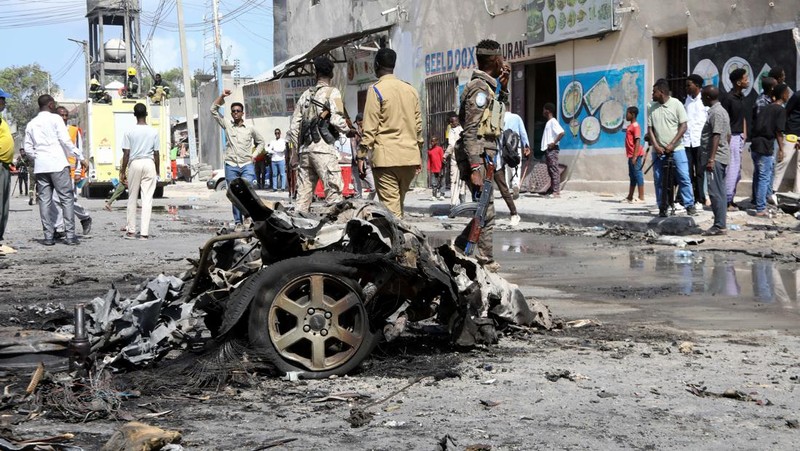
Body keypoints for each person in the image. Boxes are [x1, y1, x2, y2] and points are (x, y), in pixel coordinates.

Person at [454, 39, 509, 272]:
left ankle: (460, 247)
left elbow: (494, 113)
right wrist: (476, 166)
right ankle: (484, 260)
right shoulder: (479, 89)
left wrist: (503, 87)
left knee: (484, 209)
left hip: (485, 156)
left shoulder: (489, 87)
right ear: (496, 60)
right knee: (486, 210)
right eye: (501, 60)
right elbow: (471, 130)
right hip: (477, 157)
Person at [357, 48, 422, 219]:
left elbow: (370, 127)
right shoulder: (411, 90)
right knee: (398, 205)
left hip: (387, 159)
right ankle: (402, 241)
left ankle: (399, 243)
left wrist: (361, 155)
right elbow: (418, 127)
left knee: (392, 213)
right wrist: (418, 153)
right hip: (409, 158)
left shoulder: (376, 90)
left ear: (376, 65)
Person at [288, 56, 349, 212]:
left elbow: (294, 126)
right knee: (334, 197)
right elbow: (337, 120)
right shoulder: (333, 92)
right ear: (332, 74)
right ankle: (334, 233)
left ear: (316, 74)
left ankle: (299, 232)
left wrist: (295, 152)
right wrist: (349, 131)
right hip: (324, 151)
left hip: (305, 152)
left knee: (302, 200)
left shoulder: (305, 95)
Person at [24, 94, 85, 246]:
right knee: (66, 199)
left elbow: (27, 148)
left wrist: (38, 157)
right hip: (58, 164)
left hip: (41, 166)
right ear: (51, 105)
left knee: (44, 201)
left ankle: (48, 236)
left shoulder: (31, 123)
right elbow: (65, 142)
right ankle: (70, 236)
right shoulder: (56, 119)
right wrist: (80, 156)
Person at [211, 89, 265, 229]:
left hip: (246, 164)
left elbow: (261, 142)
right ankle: (238, 222)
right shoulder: (227, 125)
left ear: (242, 113)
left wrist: (254, 155)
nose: (235, 113)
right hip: (231, 165)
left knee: (247, 193)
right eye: (233, 111)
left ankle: (248, 217)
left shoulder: (250, 128)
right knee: (234, 195)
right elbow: (213, 110)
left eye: (238, 111)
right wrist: (222, 96)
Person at [648, 78, 696, 217]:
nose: (652, 94)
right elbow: (650, 129)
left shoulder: (677, 104)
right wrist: (656, 146)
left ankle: (689, 204)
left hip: (677, 149)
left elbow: (683, 126)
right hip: (658, 151)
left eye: (654, 92)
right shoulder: (651, 106)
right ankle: (662, 206)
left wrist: (672, 144)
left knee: (683, 177)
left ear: (661, 92)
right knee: (659, 180)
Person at [120, 103, 160, 239]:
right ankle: (144, 233)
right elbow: (156, 153)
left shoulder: (129, 131)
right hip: (149, 164)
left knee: (132, 198)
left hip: (135, 163)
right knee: (147, 199)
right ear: (146, 114)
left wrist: (122, 171)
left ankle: (131, 231)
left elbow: (126, 153)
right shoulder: (153, 131)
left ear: (134, 115)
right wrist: (158, 170)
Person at [51, 106, 92, 238]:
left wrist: (79, 172)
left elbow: (79, 151)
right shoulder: (52, 131)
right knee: (55, 199)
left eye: (65, 115)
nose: (64, 118)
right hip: (55, 169)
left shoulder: (73, 131)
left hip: (71, 171)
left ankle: (84, 217)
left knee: (67, 199)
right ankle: (59, 228)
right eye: (61, 115)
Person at [750, 84, 789, 217]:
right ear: (783, 95)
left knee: (762, 174)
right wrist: (782, 149)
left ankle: (760, 201)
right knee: (764, 177)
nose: (788, 95)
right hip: (764, 145)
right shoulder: (780, 110)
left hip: (756, 144)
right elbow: (779, 131)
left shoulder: (767, 107)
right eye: (787, 92)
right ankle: (760, 208)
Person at [701, 86, 732, 236]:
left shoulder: (717, 113)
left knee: (714, 192)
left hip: (716, 158)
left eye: (702, 96)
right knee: (719, 191)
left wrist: (712, 159)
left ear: (708, 97)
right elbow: (728, 136)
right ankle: (720, 224)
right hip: (720, 156)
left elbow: (717, 135)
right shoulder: (720, 111)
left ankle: (719, 225)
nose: (700, 98)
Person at [720, 68, 749, 211]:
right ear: (738, 82)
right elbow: (724, 120)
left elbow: (742, 117)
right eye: (745, 78)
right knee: (731, 170)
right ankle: (726, 201)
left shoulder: (741, 97)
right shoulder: (728, 98)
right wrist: (727, 138)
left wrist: (744, 133)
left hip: (739, 136)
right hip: (731, 137)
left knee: (737, 171)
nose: (747, 81)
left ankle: (731, 199)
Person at [683, 74, 708, 208]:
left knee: (700, 171)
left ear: (697, 86)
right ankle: (689, 198)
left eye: (689, 85)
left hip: (700, 142)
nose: (686, 88)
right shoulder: (685, 101)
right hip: (687, 141)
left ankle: (700, 198)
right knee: (687, 171)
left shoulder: (704, 101)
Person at [502, 105, 531, 201]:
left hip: (504, 147)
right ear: (509, 107)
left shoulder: (500, 117)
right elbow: (523, 133)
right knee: (516, 166)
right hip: (515, 145)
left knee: (504, 168)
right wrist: (526, 146)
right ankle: (515, 185)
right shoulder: (516, 117)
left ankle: (505, 188)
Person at [0, 88, 14, 255]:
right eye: (2, 99)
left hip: (4, 165)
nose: (4, 103)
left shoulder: (2, 119)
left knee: (3, 205)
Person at [778, 89, 800, 194]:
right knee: (783, 161)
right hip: (791, 133)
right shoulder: (797, 96)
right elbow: (786, 112)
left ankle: (797, 193)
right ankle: (772, 191)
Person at [349, 113, 376, 199]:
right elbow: (354, 150)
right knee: (357, 193)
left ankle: (368, 202)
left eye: (360, 122)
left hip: (367, 165)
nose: (359, 124)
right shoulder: (355, 134)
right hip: (356, 165)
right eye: (358, 123)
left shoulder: (368, 134)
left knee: (374, 188)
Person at [541, 103, 564, 198]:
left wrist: (554, 143)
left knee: (554, 170)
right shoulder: (549, 122)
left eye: (544, 109)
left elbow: (561, 132)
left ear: (548, 111)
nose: (543, 111)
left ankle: (556, 192)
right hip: (548, 149)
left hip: (552, 149)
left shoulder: (553, 121)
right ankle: (552, 190)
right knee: (550, 170)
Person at [624, 106, 645, 203]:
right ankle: (630, 197)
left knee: (638, 174)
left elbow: (637, 141)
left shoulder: (635, 126)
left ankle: (641, 197)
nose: (626, 115)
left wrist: (635, 156)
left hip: (635, 155)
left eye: (627, 113)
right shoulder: (630, 126)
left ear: (632, 114)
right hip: (631, 155)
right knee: (632, 175)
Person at [444, 113, 464, 206]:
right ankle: (462, 200)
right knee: (462, 180)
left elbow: (451, 145)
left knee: (454, 181)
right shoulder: (462, 129)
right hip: (463, 158)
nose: (453, 123)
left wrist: (445, 155)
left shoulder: (452, 131)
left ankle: (453, 204)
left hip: (455, 159)